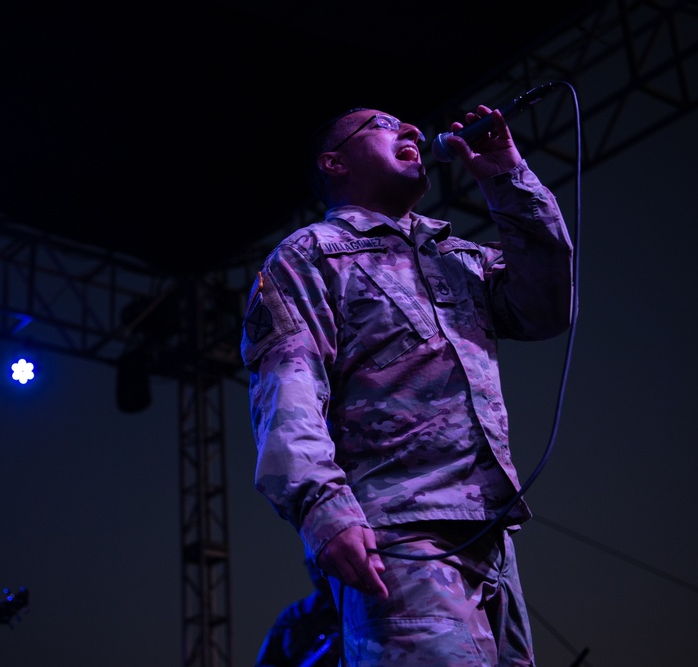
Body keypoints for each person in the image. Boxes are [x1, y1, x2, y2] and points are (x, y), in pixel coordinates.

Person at [241, 99, 574, 667]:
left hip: (490, 540)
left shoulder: (455, 256)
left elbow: (545, 305)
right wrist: (325, 510)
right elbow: (289, 392)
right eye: (385, 126)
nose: (413, 129)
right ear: (334, 164)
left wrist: (507, 177)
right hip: (398, 533)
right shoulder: (309, 256)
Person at [254, 556, 341, 667]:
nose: (317, 570)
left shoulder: (357, 611)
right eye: (312, 564)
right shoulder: (293, 615)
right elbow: (266, 663)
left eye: (321, 563)